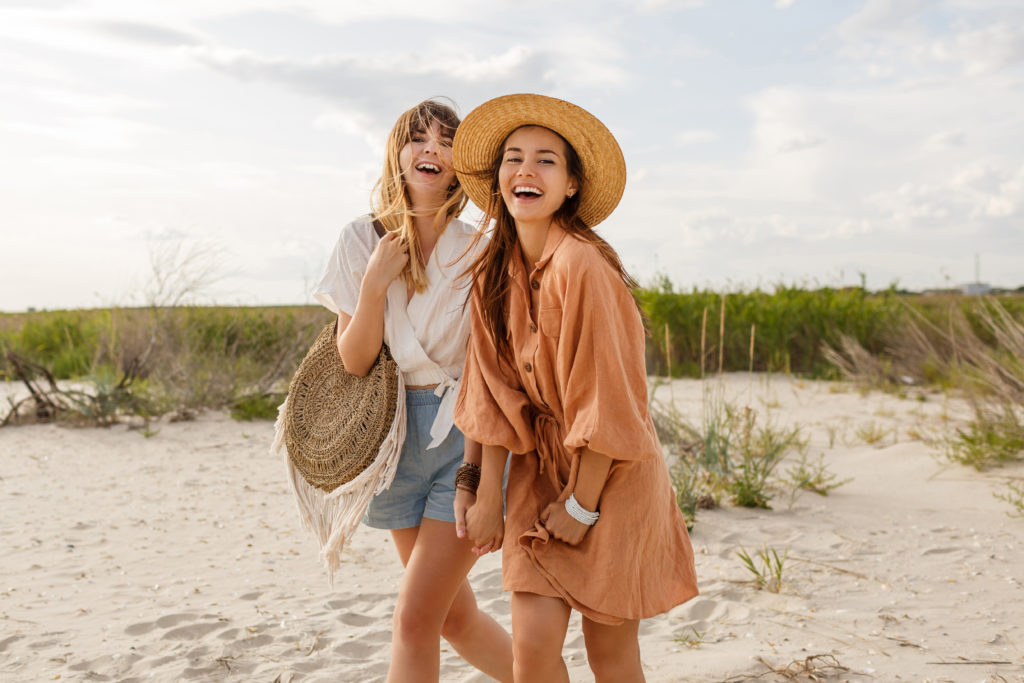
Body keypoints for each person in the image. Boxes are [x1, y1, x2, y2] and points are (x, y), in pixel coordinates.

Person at [451, 93, 699, 682]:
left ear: (570, 186)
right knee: (532, 654)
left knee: (609, 656)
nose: (525, 171)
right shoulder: (494, 272)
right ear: (497, 180)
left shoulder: (582, 265)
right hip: (538, 474)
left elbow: (611, 401)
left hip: (611, 476)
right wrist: (480, 490)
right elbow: (490, 395)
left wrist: (583, 504)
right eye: (513, 158)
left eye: (545, 160)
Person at [311, 99, 513, 683]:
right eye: (417, 139)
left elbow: (492, 371)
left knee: (414, 619)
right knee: (451, 618)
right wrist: (374, 285)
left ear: (459, 164)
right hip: (394, 436)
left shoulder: (481, 247)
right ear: (397, 154)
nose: (430, 150)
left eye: (445, 141)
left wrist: (483, 479)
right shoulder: (360, 238)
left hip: (459, 434)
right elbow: (354, 361)